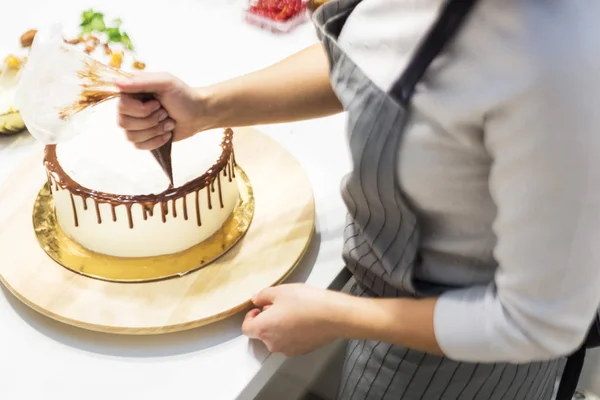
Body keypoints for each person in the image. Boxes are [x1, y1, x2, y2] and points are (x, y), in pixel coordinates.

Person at [116, 0, 600, 398]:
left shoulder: (559, 63)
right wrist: (204, 108)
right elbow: (368, 56)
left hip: (465, 365)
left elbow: (538, 321)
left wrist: (337, 315)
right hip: (381, 303)